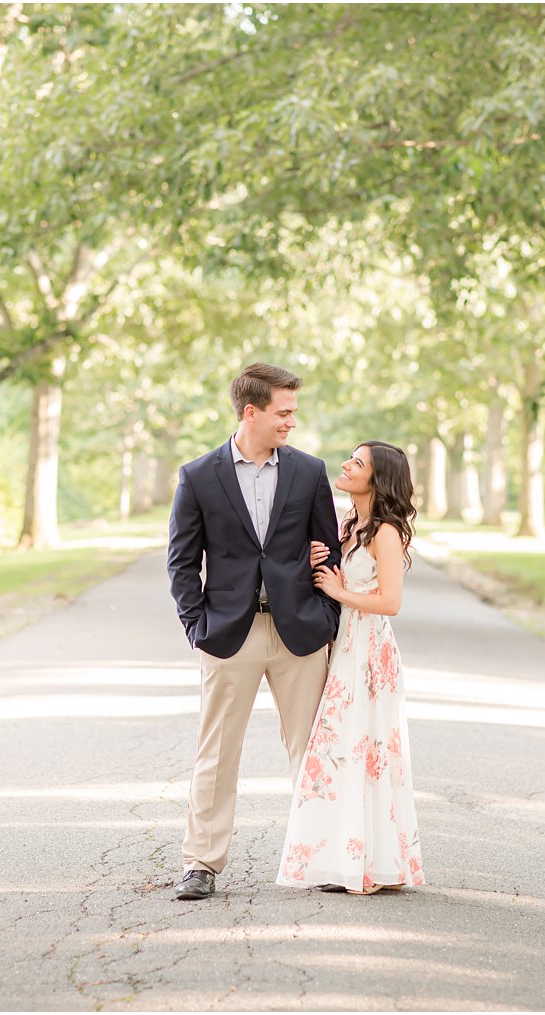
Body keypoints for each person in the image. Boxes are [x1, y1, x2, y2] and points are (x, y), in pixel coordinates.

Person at [166, 363, 343, 902]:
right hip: (228, 635)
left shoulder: (310, 473)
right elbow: (181, 562)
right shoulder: (198, 476)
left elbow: (327, 550)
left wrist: (326, 618)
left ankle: (323, 856)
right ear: (252, 411)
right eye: (283, 412)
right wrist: (198, 626)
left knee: (312, 750)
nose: (292, 421)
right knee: (216, 752)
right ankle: (202, 862)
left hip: (299, 634)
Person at [276, 441, 425, 895]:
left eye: (357, 463)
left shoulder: (385, 532)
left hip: (369, 654)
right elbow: (336, 578)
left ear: (377, 480)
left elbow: (391, 603)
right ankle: (345, 857)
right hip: (344, 647)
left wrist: (341, 593)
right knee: (342, 750)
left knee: (369, 751)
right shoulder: (351, 526)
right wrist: (320, 566)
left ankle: (374, 863)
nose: (345, 465)